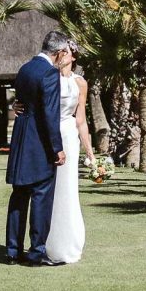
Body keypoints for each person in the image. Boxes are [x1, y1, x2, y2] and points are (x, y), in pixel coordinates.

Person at [5, 31, 72, 266]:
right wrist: (57, 148)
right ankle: (36, 252)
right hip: (40, 144)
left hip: (21, 139)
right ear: (60, 52)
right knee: (42, 196)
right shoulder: (49, 73)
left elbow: (22, 103)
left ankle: (12, 251)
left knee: (19, 195)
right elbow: (49, 115)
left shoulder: (25, 69)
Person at [44, 44, 90, 264]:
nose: (62, 55)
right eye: (60, 52)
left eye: (66, 52)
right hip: (49, 134)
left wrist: (90, 152)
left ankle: (67, 244)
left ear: (73, 57)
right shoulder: (48, 77)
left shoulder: (80, 83)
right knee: (48, 188)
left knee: (68, 189)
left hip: (69, 136)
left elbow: (80, 120)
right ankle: (45, 242)